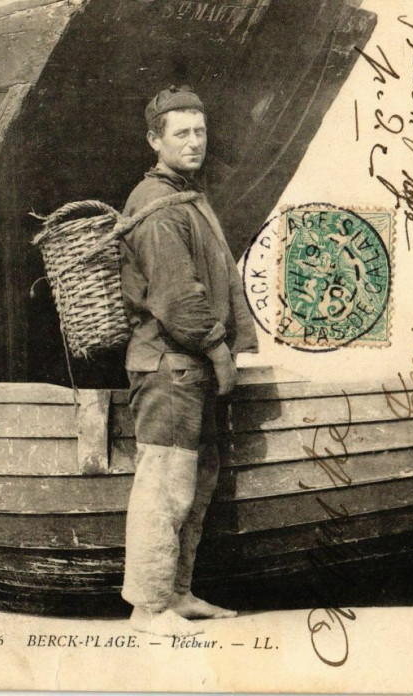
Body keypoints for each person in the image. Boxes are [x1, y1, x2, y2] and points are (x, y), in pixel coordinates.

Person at [120, 85, 258, 637]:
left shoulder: (185, 198)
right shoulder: (157, 206)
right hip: (168, 368)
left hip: (188, 367)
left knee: (196, 482)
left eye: (200, 131)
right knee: (165, 485)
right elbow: (177, 297)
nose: (195, 141)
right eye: (182, 133)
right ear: (156, 139)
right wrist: (220, 348)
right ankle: (147, 609)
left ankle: (176, 595)